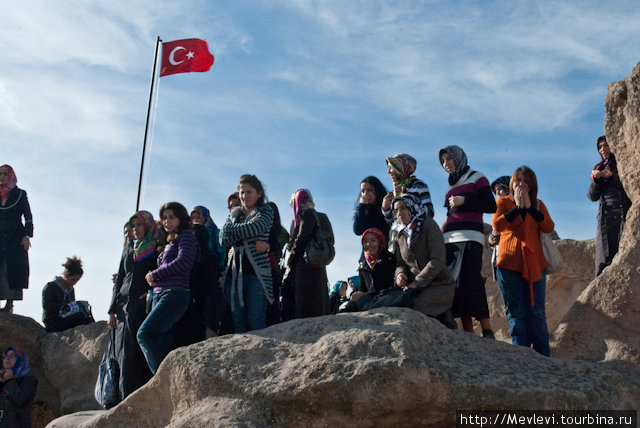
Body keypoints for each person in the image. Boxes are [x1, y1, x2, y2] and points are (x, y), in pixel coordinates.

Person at [492, 166, 555, 356]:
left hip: (535, 264)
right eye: (518, 180)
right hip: (509, 264)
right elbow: (498, 224)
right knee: (516, 313)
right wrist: (518, 208)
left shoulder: (538, 205)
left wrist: (529, 208)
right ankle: (522, 357)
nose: (521, 184)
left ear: (532, 186)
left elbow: (548, 226)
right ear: (512, 182)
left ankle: (543, 357)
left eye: (525, 181)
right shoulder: (503, 202)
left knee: (537, 313)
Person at [439, 146, 496, 338]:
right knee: (456, 284)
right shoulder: (450, 185)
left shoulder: (477, 177)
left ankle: (487, 329)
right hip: (450, 240)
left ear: (458, 158)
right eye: (443, 161)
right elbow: (451, 213)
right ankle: (469, 332)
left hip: (471, 236)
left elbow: (490, 205)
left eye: (449, 159)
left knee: (471, 280)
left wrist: (465, 201)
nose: (446, 164)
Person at [137, 202, 197, 374]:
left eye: (172, 217)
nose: (167, 221)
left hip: (174, 294)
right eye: (164, 218)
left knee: (145, 334)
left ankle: (162, 380)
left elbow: (183, 262)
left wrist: (155, 274)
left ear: (181, 218)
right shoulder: (171, 241)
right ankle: (169, 381)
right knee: (162, 342)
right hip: (160, 294)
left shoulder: (186, 236)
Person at [107, 211, 156, 401]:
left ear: (148, 226)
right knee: (123, 353)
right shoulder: (128, 248)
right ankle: (122, 397)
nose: (135, 230)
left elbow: (159, 273)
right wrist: (111, 309)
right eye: (133, 226)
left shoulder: (155, 247)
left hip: (143, 305)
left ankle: (138, 397)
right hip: (123, 306)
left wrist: (151, 292)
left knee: (138, 351)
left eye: (139, 225)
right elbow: (120, 278)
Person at [219, 175, 274, 333]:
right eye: (242, 192)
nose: (244, 196)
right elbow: (222, 238)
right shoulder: (235, 213)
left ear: (259, 193)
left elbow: (254, 229)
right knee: (239, 322)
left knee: (256, 320)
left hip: (256, 276)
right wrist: (246, 225)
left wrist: (234, 230)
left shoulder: (266, 210)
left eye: (249, 192)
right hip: (235, 275)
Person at [392, 194, 456, 327]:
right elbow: (400, 262)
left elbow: (437, 260)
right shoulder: (399, 233)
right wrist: (400, 274)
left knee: (415, 307)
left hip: (439, 284)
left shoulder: (428, 225)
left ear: (412, 207)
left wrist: (417, 282)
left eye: (403, 208)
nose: (399, 213)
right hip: (413, 286)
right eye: (396, 210)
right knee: (397, 304)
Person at [588, 135, 631, 276]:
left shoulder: (621, 163)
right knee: (603, 257)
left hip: (622, 212)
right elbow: (592, 196)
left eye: (605, 145)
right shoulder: (598, 168)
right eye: (600, 146)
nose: (602, 149)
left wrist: (612, 176)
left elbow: (629, 184)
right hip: (605, 217)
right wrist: (596, 180)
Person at [284, 189, 328, 319]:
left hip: (306, 266)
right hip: (316, 263)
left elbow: (301, 239)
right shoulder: (309, 216)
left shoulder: (307, 215)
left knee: (306, 304)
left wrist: (291, 260)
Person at [0, 165, 33, 314]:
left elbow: (28, 217)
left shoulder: (19, 194)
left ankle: (9, 304)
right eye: (0, 174)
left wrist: (27, 236)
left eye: (5, 174)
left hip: (15, 238)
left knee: (12, 269)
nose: (2, 177)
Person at [42, 257, 93, 332]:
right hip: (52, 320)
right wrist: (65, 307)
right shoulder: (51, 286)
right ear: (66, 275)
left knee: (87, 318)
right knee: (80, 317)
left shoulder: (71, 290)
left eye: (77, 280)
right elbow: (46, 306)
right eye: (73, 279)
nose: (74, 283)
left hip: (65, 318)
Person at [381, 153, 435, 224]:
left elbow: (430, 212)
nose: (388, 172)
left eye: (391, 168)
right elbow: (392, 222)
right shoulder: (394, 192)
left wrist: (407, 201)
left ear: (401, 167)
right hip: (401, 233)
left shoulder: (418, 185)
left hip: (419, 232)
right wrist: (386, 209)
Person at [351, 228, 395, 306]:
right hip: (370, 300)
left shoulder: (390, 259)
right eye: (365, 241)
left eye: (373, 240)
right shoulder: (363, 265)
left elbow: (393, 286)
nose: (369, 244)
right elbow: (362, 289)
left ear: (380, 242)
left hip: (388, 298)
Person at [353, 177, 390, 261]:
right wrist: (361, 207)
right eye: (363, 191)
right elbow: (357, 230)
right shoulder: (363, 211)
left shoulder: (386, 208)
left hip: (384, 258)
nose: (366, 194)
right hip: (367, 259)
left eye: (369, 190)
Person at [0, 347, 37, 428]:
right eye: (5, 356)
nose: (7, 358)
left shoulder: (29, 381)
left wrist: (10, 380)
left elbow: (21, 400)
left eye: (12, 355)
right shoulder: (1, 379)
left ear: (20, 360)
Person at [488, 176, 511, 280]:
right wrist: (491, 240)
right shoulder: (498, 209)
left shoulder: (518, 207)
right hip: (499, 259)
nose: (497, 193)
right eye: (495, 190)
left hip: (513, 259)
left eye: (501, 189)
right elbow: (496, 231)